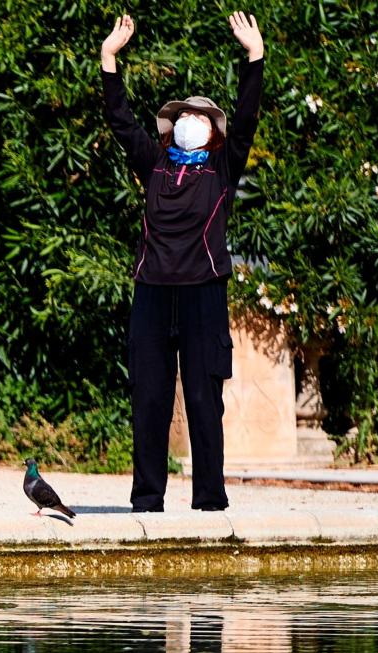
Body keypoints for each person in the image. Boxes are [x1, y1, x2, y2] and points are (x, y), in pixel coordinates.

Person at [101, 12, 265, 512]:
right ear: (173, 130)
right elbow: (121, 122)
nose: (190, 121)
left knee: (202, 400)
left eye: (200, 117)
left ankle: (210, 502)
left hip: (203, 293)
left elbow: (246, 121)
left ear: (210, 130)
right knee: (148, 399)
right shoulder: (154, 162)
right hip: (152, 292)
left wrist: (255, 57)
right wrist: (109, 60)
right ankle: (147, 500)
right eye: (184, 116)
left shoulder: (221, 166)